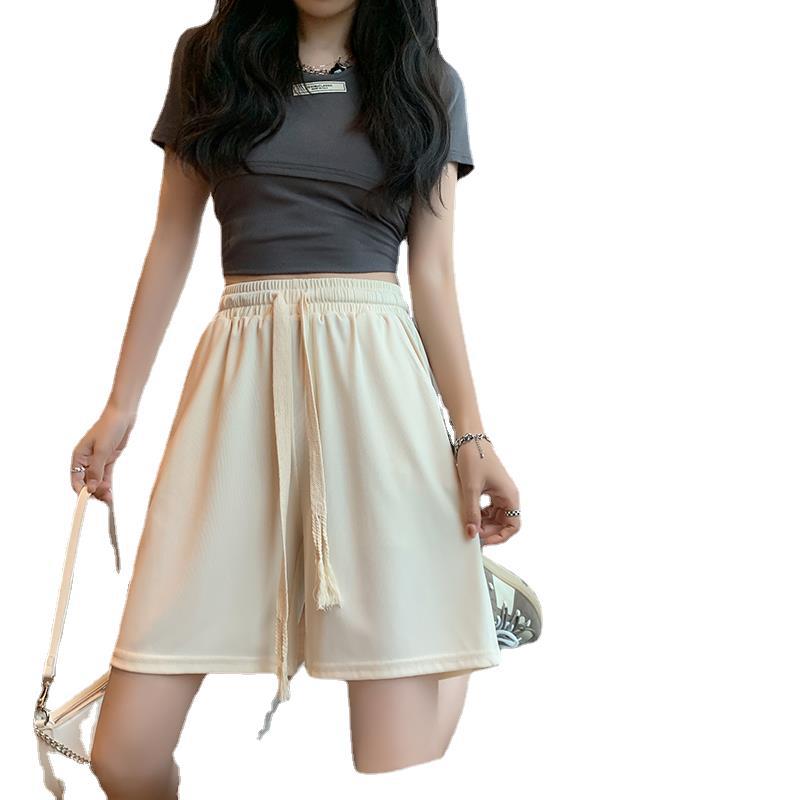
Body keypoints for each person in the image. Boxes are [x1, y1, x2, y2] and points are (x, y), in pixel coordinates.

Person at [70, 2, 531, 796]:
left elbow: (432, 276)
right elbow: (172, 241)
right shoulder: (209, 62)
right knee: (123, 755)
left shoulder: (426, 83)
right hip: (239, 380)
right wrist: (120, 409)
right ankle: (446, 589)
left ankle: (462, 605)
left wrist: (472, 437)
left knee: (391, 758)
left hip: (375, 385)